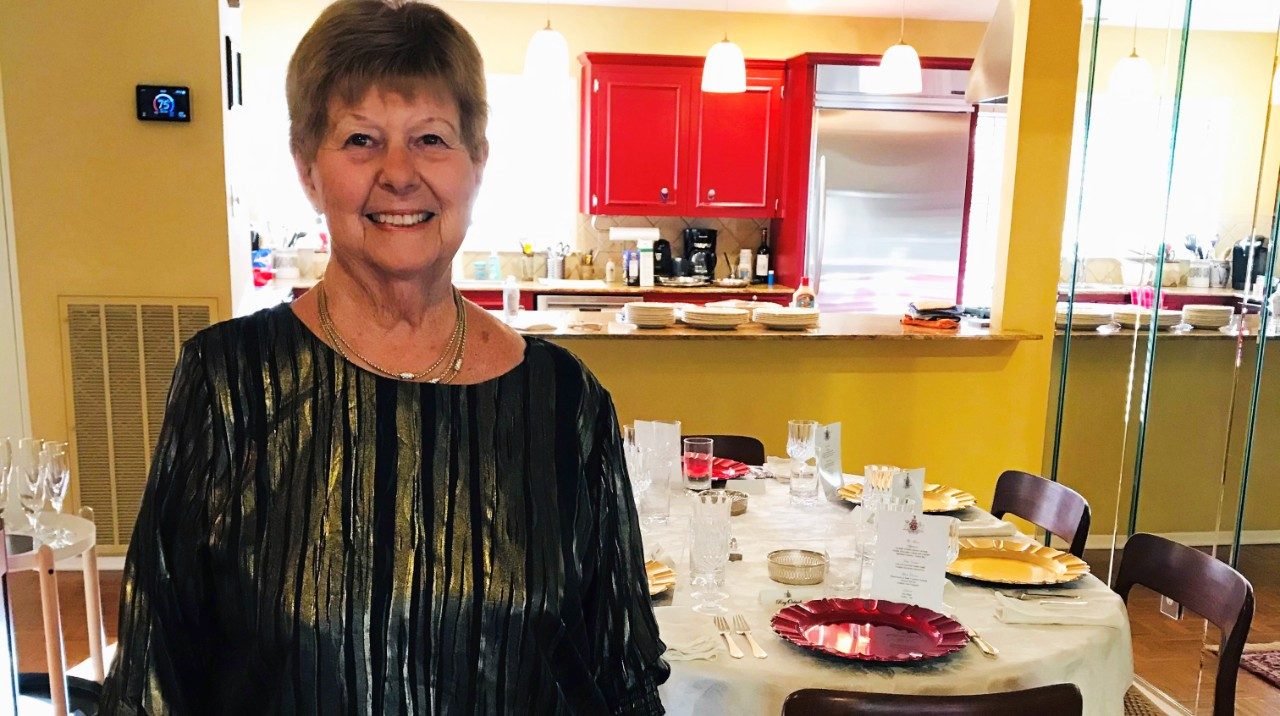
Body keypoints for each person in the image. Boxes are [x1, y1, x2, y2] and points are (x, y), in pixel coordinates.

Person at [99, 1, 668, 712]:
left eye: (431, 138)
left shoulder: (565, 402)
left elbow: (617, 677)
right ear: (308, 170)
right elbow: (154, 675)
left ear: (477, 163)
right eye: (361, 140)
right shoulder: (230, 384)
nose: (399, 174)